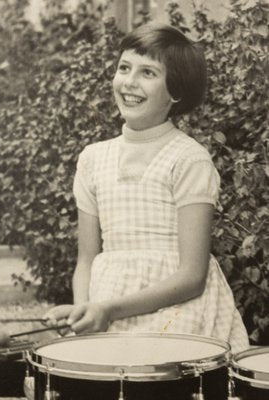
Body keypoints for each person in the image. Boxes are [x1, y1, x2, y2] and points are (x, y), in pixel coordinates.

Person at [45, 23, 249, 354]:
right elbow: (87, 259)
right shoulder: (93, 159)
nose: (129, 81)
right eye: (124, 68)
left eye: (148, 73)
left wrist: (109, 309)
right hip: (106, 306)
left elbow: (192, 276)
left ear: (176, 92)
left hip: (175, 313)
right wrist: (84, 309)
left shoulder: (188, 159)